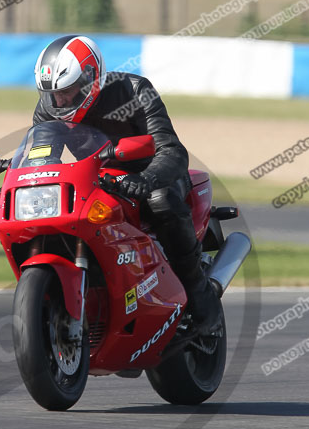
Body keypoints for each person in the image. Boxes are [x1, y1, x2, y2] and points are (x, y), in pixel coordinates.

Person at [32, 34, 221, 334]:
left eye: (67, 92)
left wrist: (146, 180)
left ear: (91, 79)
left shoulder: (135, 90)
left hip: (153, 175)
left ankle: (199, 293)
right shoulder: (50, 108)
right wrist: (9, 193)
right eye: (53, 94)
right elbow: (39, 161)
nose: (60, 101)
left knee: (161, 201)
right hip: (102, 182)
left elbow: (172, 151)